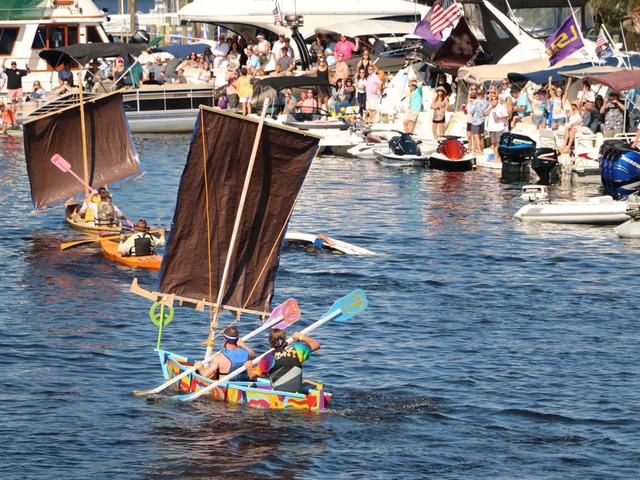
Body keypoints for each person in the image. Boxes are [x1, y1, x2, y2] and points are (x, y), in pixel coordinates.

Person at [244, 328, 320, 393]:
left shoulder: (267, 359)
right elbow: (316, 345)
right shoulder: (298, 350)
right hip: (297, 393)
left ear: (271, 343)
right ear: (285, 339)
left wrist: (249, 366)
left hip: (279, 395)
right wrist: (300, 336)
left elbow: (252, 376)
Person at [485, 94, 508, 162]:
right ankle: (496, 157)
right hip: (491, 128)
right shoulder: (490, 106)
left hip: (499, 128)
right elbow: (485, 113)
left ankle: (500, 158)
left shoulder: (501, 107)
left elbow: (506, 115)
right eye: (491, 99)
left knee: (499, 144)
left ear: (497, 100)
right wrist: (490, 107)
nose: (492, 101)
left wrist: (498, 117)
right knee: (494, 144)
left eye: (494, 99)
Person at [468, 88, 489, 155]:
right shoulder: (486, 102)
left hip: (475, 121)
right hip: (482, 120)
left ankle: (479, 150)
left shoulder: (475, 102)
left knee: (476, 136)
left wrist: (471, 103)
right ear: (482, 94)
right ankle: (476, 150)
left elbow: (471, 111)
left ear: (476, 94)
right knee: (480, 136)